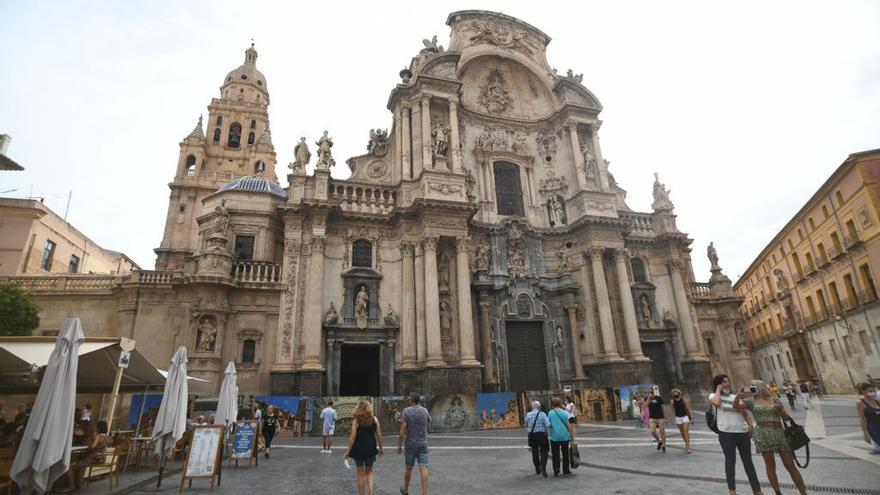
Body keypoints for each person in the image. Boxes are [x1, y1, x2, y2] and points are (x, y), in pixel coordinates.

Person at [736, 380, 807, 495]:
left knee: (790, 465)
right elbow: (736, 407)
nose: (751, 389)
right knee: (770, 465)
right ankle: (777, 492)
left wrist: (781, 411)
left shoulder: (774, 399)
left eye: (753, 387)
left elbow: (787, 418)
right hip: (763, 435)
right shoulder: (750, 401)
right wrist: (738, 396)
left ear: (760, 388)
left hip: (779, 433)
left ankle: (803, 493)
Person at [710, 375, 764, 495]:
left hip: (742, 433)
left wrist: (750, 426)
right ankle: (732, 491)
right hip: (726, 433)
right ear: (718, 384)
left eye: (728, 381)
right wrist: (718, 389)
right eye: (724, 382)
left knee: (748, 462)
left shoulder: (736, 397)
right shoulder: (713, 396)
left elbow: (744, 413)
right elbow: (717, 403)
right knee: (730, 461)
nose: (728, 383)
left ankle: (757, 490)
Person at [346, 401, 384, 495]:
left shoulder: (356, 421)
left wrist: (348, 450)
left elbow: (352, 437)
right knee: (369, 471)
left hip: (358, 450)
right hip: (370, 449)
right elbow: (379, 435)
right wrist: (381, 448)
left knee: (360, 473)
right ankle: (371, 491)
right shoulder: (374, 419)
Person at [398, 394, 431, 495]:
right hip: (423, 443)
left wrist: (399, 445)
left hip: (410, 444)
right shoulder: (424, 410)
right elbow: (428, 423)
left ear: (411, 400)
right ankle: (425, 493)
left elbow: (403, 430)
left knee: (409, 467)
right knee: (424, 468)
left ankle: (406, 489)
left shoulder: (406, 411)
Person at [547, 397, 573, 476]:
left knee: (555, 454)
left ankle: (556, 469)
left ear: (552, 404)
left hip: (554, 436)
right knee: (565, 454)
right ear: (560, 403)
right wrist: (570, 433)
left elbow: (549, 425)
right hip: (564, 436)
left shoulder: (550, 413)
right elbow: (568, 424)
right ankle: (566, 470)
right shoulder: (564, 412)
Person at [525, 400, 550, 477]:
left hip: (532, 435)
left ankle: (537, 468)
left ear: (532, 407)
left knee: (535, 451)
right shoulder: (542, 414)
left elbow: (526, 424)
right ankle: (543, 467)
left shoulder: (528, 414)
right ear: (539, 407)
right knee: (544, 451)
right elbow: (548, 424)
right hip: (542, 435)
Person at [856, 382, 880, 454]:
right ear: (863, 392)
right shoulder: (860, 403)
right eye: (870, 391)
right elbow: (862, 418)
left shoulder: (877, 401)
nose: (872, 393)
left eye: (873, 391)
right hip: (874, 430)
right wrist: (865, 433)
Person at [671, 388, 693, 453]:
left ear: (679, 393)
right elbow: (673, 410)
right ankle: (686, 443)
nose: (676, 394)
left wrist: (691, 417)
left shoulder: (683, 400)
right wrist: (673, 418)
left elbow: (688, 408)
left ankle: (688, 446)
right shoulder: (672, 401)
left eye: (677, 393)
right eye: (674, 393)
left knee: (685, 430)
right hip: (678, 417)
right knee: (682, 432)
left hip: (685, 416)